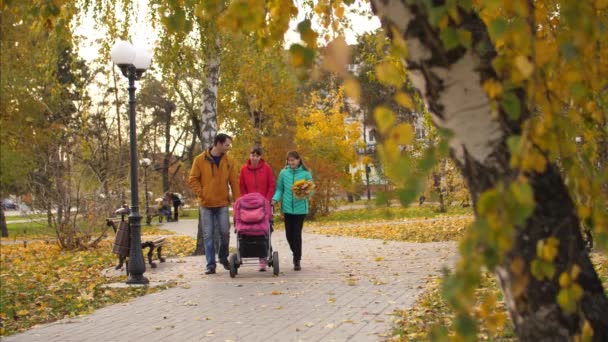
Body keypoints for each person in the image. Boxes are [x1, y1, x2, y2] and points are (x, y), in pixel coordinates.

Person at [188, 133, 240, 275]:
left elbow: (234, 182)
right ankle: (210, 265)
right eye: (227, 144)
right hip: (206, 204)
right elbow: (193, 179)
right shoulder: (199, 160)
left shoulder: (229, 161)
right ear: (218, 143)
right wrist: (202, 193)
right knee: (208, 235)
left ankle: (223, 257)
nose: (229, 147)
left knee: (224, 232)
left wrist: (237, 201)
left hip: (222, 203)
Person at [272, 151, 313, 271]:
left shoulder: (306, 173)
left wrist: (305, 193)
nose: (291, 162)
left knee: (296, 234)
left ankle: (297, 259)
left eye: (293, 160)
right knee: (289, 235)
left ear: (299, 160)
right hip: (287, 209)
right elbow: (280, 189)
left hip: (301, 209)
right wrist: (275, 199)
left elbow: (312, 190)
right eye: (289, 160)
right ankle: (296, 252)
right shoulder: (284, 173)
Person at [239, 146, 276, 271]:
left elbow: (271, 185)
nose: (254, 157)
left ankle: (263, 258)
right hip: (249, 205)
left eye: (256, 155)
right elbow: (242, 186)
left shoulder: (267, 169)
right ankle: (247, 252)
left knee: (265, 230)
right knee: (249, 230)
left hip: (264, 204)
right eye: (252, 155)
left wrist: (267, 200)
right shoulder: (244, 169)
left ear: (260, 157)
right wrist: (246, 200)